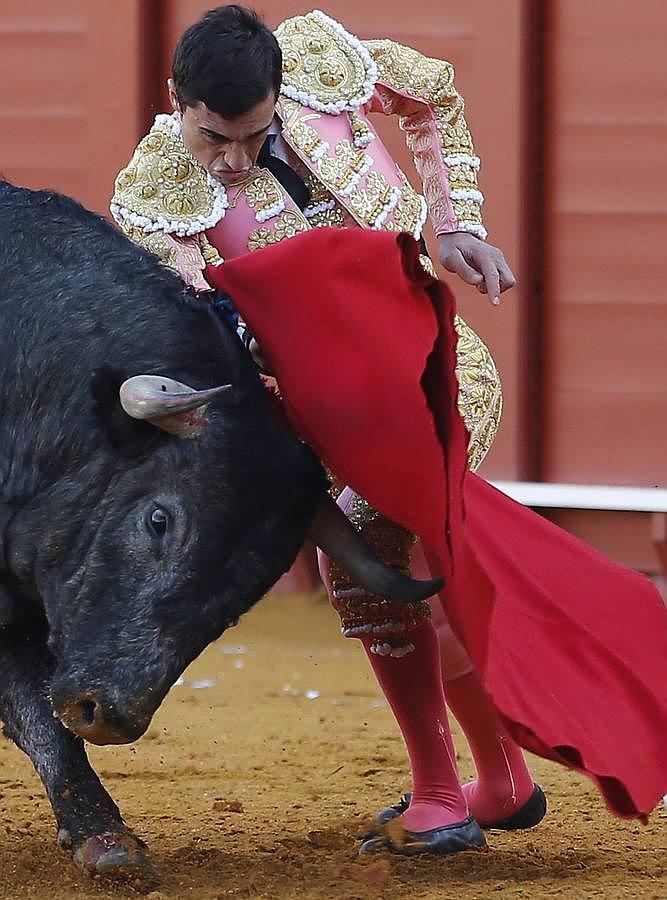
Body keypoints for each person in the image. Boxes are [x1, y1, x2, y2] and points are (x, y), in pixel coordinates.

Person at [111, 6, 667, 856]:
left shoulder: (320, 62)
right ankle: (500, 781)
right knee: (413, 568)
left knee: (365, 560)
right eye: (214, 138)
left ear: (278, 92)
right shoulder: (152, 198)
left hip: (439, 376)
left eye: (255, 134)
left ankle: (445, 797)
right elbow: (199, 334)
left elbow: (431, 95)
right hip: (332, 419)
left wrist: (455, 223)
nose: (236, 159)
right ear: (175, 101)